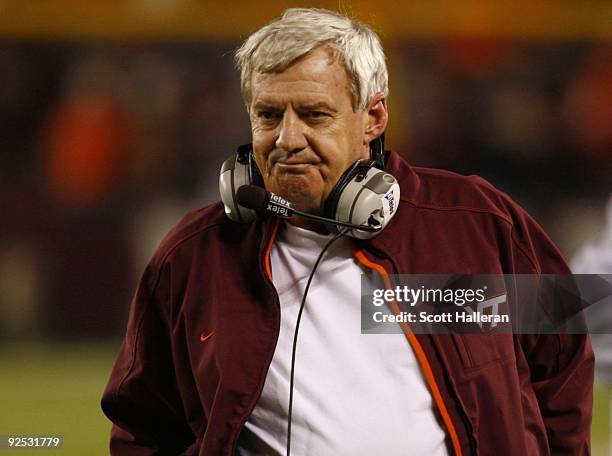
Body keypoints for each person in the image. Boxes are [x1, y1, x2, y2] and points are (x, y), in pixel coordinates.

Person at [101, 8, 594, 455]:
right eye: (268, 115)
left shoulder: (477, 224)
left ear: (373, 117)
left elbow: (562, 360)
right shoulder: (194, 256)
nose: (288, 140)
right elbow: (143, 428)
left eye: (314, 114)